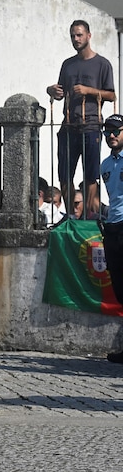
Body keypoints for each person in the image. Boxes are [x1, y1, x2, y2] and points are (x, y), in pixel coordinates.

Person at [47, 20, 115, 219]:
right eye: (72, 36)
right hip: (69, 125)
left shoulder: (102, 64)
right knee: (65, 175)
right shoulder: (67, 64)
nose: (75, 39)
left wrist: (89, 91)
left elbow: (111, 95)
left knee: (90, 175)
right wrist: (52, 91)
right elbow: (61, 92)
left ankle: (90, 215)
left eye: (79, 35)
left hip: (92, 125)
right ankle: (70, 215)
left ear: (89, 36)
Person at [100, 114, 123, 363]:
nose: (111, 135)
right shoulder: (106, 165)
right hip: (113, 227)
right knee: (120, 288)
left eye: (116, 130)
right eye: (107, 132)